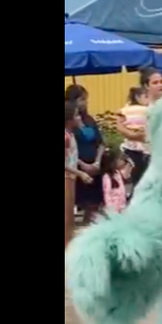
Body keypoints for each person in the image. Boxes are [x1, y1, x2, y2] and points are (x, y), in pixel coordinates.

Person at [65, 84, 105, 224]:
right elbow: (70, 152)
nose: (85, 102)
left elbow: (100, 142)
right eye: (82, 99)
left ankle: (87, 226)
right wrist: (83, 166)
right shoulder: (69, 125)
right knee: (74, 204)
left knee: (94, 203)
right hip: (76, 168)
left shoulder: (89, 119)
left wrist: (97, 162)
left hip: (94, 166)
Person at [65, 100, 92, 249]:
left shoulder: (70, 134)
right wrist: (80, 173)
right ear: (69, 119)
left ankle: (68, 245)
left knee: (70, 218)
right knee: (67, 217)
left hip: (71, 178)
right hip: (66, 179)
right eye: (76, 116)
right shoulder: (66, 137)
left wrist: (81, 166)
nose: (79, 118)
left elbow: (72, 157)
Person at [117, 86, 151, 187]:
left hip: (137, 146)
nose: (148, 99)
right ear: (137, 97)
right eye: (146, 96)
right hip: (138, 147)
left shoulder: (126, 110)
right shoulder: (145, 110)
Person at [101, 149, 129, 213]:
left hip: (121, 207)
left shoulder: (118, 173)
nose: (122, 162)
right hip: (113, 208)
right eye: (119, 159)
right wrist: (111, 209)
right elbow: (107, 194)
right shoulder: (107, 177)